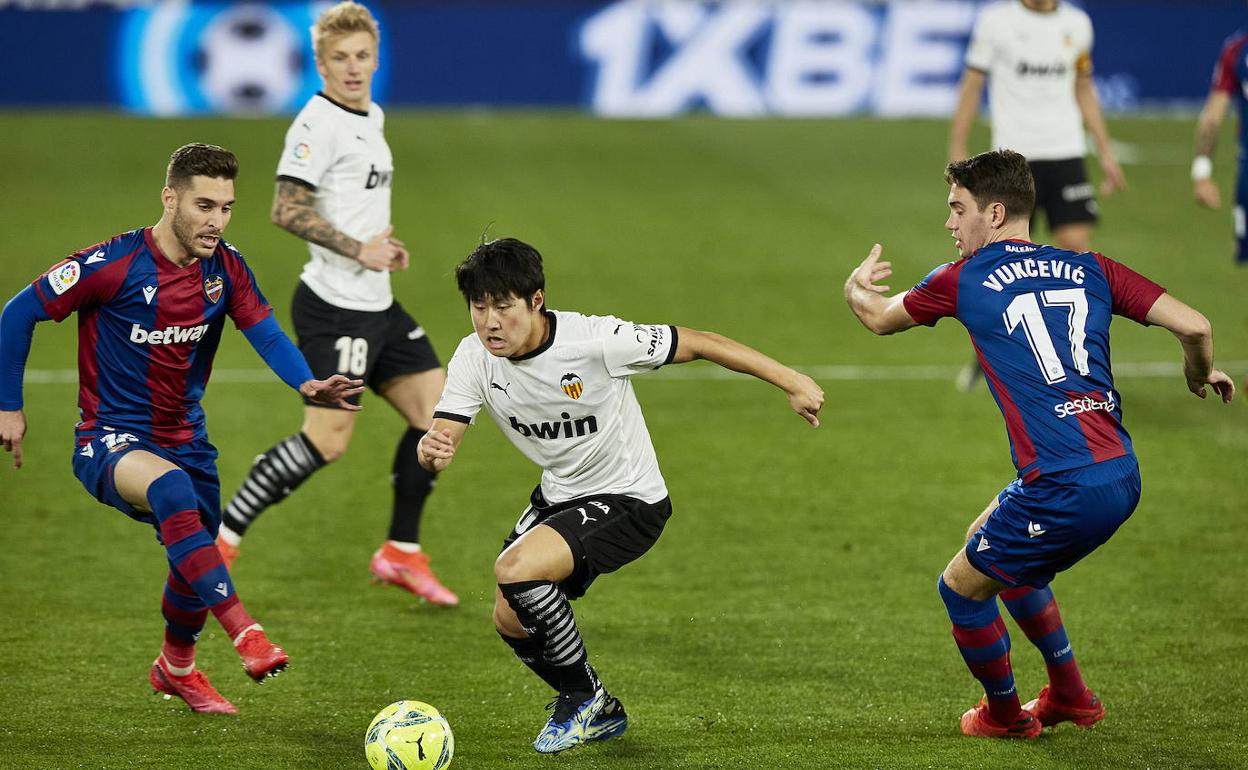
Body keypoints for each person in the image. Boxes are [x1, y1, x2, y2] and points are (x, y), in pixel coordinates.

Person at [843, 149, 1234, 739]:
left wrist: (854, 288)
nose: (950, 223)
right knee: (994, 545)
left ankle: (1004, 716)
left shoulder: (963, 278)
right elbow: (1196, 326)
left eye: (957, 209)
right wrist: (1198, 372)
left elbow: (878, 317)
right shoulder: (1092, 267)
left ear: (994, 213)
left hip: (1063, 485)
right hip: (1121, 472)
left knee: (961, 588)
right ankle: (1071, 694)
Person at [415, 238, 824, 754]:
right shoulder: (474, 357)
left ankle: (584, 699)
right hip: (560, 496)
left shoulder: (595, 340)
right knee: (509, 619)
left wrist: (791, 380)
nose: (490, 322)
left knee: (516, 568)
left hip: (631, 499)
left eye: (503, 306)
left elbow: (698, 341)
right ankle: (598, 708)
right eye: (479, 307)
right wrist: (432, 450)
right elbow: (443, 435)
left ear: (536, 300)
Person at [0, 143, 363, 714]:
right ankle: (246, 632)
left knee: (196, 557)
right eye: (204, 205)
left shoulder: (227, 268)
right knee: (172, 493)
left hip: (187, 440)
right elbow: (18, 312)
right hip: (108, 438)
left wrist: (306, 383)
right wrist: (8, 406)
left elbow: (263, 331)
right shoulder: (110, 265)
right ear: (170, 198)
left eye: (226, 208)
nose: (216, 221)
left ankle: (176, 667)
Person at [215, 1, 457, 605]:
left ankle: (400, 552)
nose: (353, 68)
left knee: (438, 416)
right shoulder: (314, 125)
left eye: (363, 57)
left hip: (378, 303)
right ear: (320, 64)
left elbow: (354, 201)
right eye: (340, 58)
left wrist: (381, 249)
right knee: (327, 441)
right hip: (334, 308)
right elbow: (285, 209)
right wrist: (356, 248)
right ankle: (221, 538)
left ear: (375, 59)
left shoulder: (369, 114)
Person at [949, 0, 1126, 390]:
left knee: (1076, 255)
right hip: (1014, 159)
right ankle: (988, 352)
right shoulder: (996, 22)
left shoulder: (1078, 23)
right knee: (997, 263)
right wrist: (958, 147)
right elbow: (972, 85)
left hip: (1066, 154)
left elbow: (1083, 87)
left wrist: (1106, 150)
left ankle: (1074, 355)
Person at [1192, 28, 1248, 264]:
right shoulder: (1236, 49)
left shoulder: (1238, 48)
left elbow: (1213, 116)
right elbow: (1213, 118)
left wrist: (1201, 172)